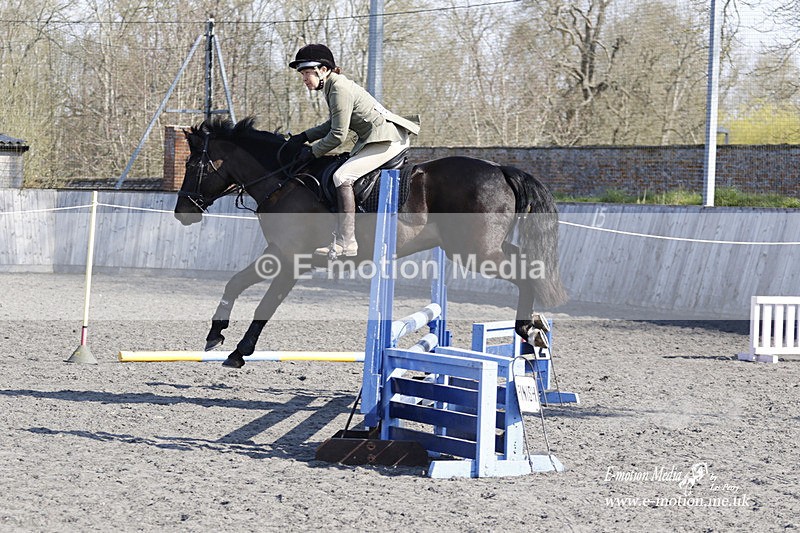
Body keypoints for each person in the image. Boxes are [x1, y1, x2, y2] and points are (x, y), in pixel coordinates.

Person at [284, 44, 420, 257]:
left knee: (342, 176)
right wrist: (304, 137)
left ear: (323, 69)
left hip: (388, 140)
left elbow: (338, 135)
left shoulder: (339, 88)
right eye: (302, 74)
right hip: (377, 139)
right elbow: (332, 125)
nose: (304, 78)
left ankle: (347, 241)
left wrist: (312, 152)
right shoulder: (333, 87)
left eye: (307, 72)